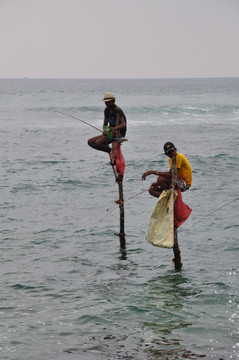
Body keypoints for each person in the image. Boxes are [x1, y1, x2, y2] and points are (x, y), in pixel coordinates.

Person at [88, 92, 127, 164]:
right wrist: (105, 130)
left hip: (118, 133)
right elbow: (105, 124)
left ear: (113, 101)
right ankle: (110, 151)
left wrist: (114, 129)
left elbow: (123, 124)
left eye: (109, 102)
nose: (107, 104)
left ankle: (110, 152)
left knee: (98, 143)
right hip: (111, 133)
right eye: (106, 102)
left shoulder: (117, 110)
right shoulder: (106, 110)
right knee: (90, 142)